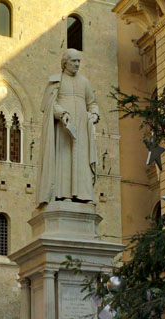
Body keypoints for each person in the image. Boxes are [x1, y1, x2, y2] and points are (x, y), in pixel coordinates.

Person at [37, 48, 100, 207]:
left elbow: (92, 103)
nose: (77, 64)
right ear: (65, 62)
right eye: (74, 61)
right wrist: (61, 113)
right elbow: (49, 104)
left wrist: (94, 115)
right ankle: (63, 194)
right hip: (64, 128)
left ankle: (83, 194)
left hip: (81, 128)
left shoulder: (85, 82)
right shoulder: (56, 81)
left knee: (81, 159)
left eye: (79, 61)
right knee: (64, 158)